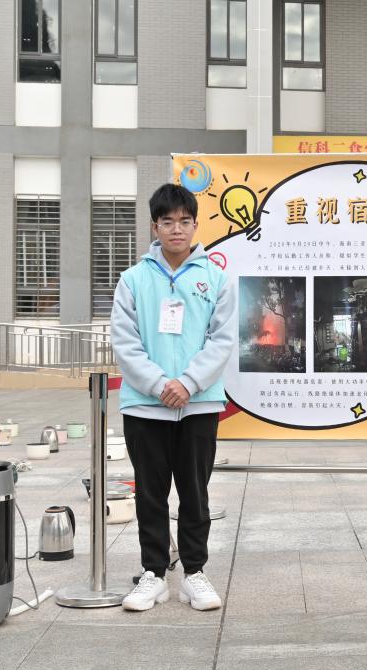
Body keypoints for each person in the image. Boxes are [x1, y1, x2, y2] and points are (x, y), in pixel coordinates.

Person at [111, 183, 235, 612]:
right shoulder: (132, 279)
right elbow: (124, 342)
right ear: (155, 227)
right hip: (145, 405)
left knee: (195, 493)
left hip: (199, 404)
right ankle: (154, 574)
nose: (176, 229)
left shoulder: (216, 279)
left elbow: (222, 340)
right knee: (150, 493)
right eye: (168, 222)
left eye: (184, 221)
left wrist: (188, 383)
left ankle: (194, 574)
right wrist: (160, 384)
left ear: (196, 225)